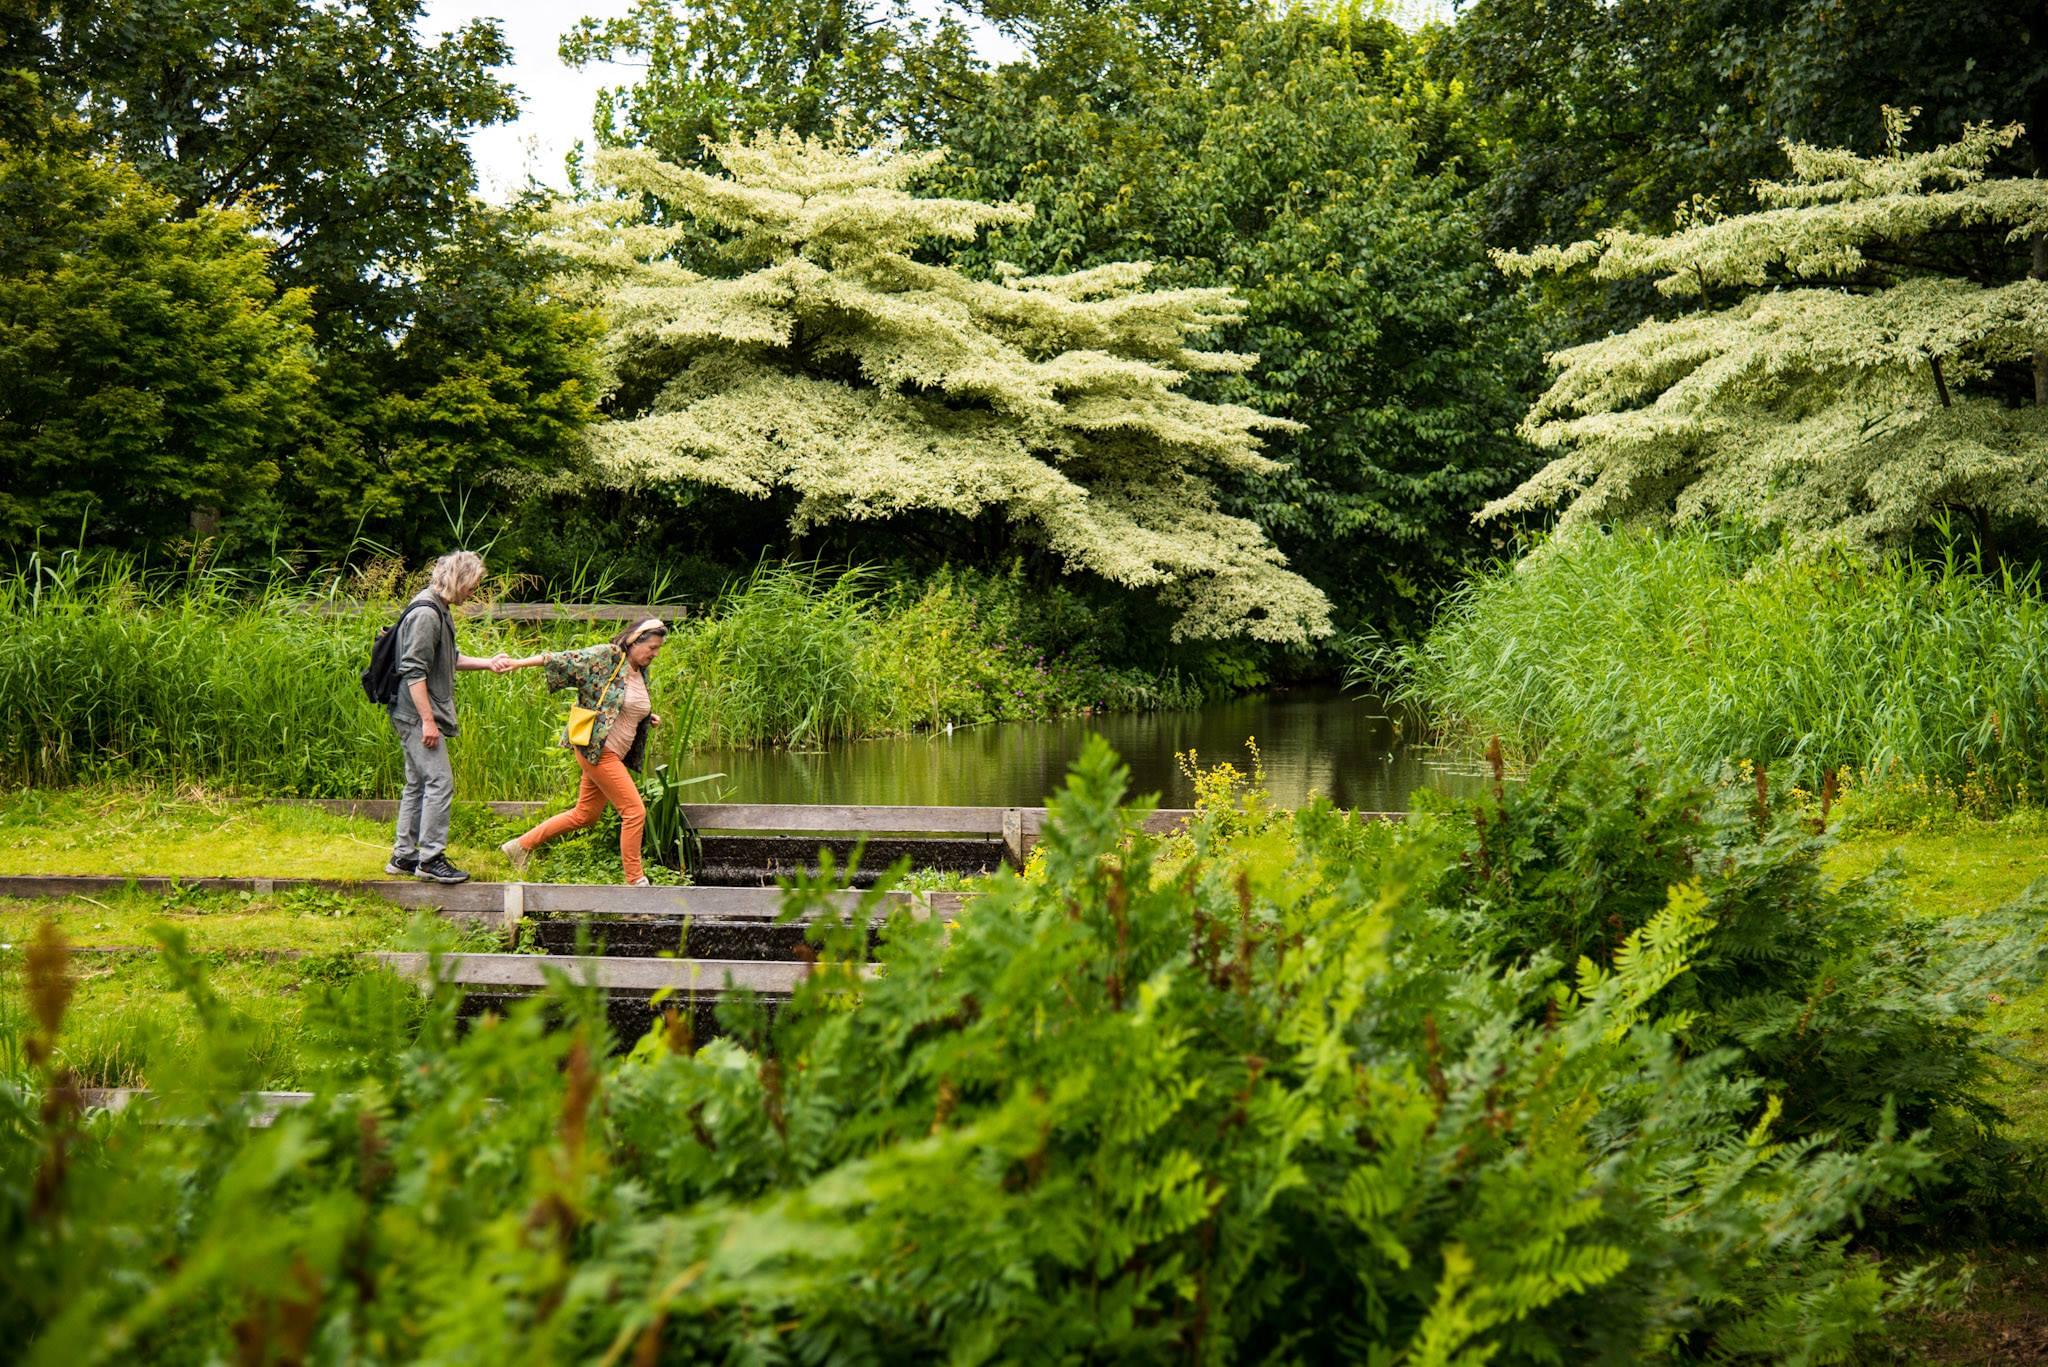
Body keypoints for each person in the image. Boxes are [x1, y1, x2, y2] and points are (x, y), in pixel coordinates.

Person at [494, 618, 667, 885]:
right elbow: (563, 658)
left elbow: (619, 703)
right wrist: (518, 663)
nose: (655, 654)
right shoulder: (608, 656)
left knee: (585, 815)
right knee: (634, 812)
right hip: (597, 749)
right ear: (635, 640)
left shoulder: (638, 669)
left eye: (658, 649)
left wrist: (646, 716)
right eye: (652, 647)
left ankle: (519, 846)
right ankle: (636, 881)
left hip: (612, 753)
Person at [385, 551, 509, 885]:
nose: (474, 592)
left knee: (417, 783)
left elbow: (447, 658)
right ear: (460, 578)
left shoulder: (439, 608)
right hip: (415, 714)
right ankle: (430, 859)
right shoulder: (427, 613)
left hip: (414, 712)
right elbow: (413, 671)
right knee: (440, 782)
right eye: (473, 585)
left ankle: (403, 856)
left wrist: (488, 662)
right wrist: (427, 720)